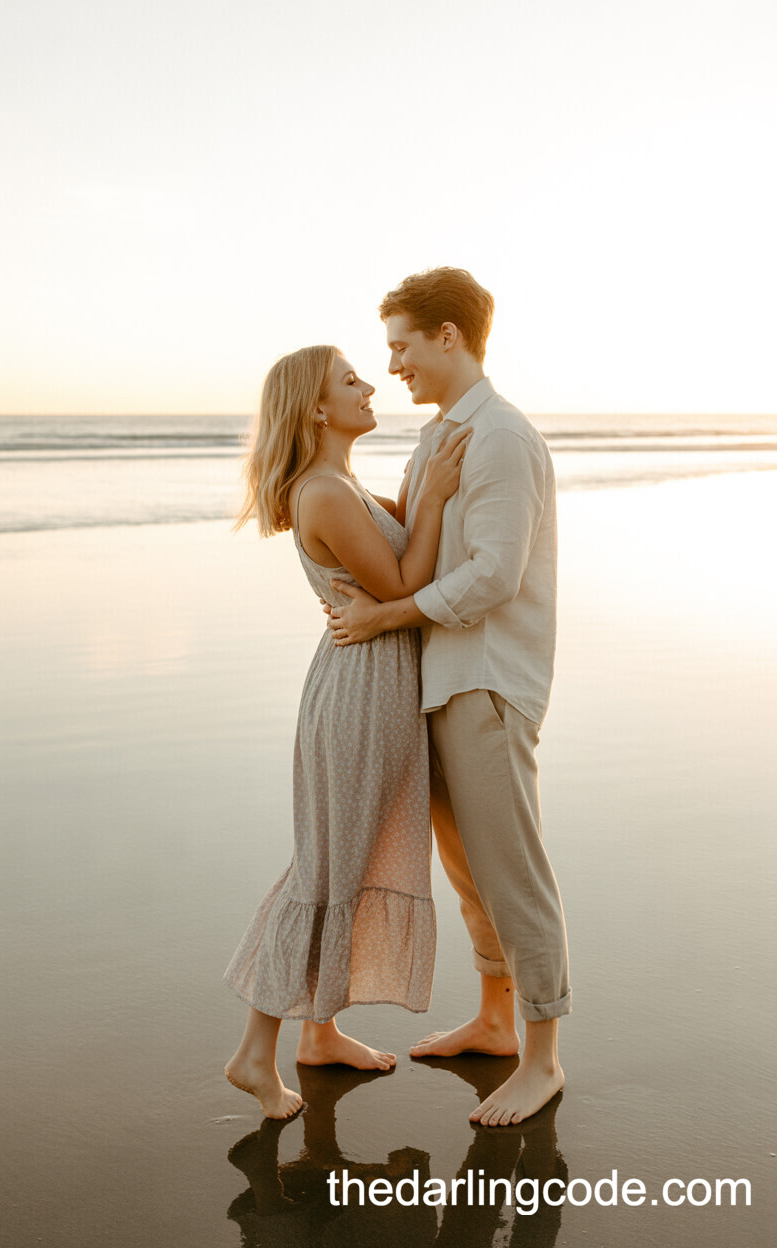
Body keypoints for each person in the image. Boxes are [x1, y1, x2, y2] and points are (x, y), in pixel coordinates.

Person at [326, 268, 572, 1127]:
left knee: (512, 874)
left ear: (448, 336)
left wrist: (385, 614)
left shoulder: (500, 437)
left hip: (488, 682)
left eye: (401, 345)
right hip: (439, 681)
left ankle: (543, 1057)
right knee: (470, 876)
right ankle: (496, 1023)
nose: (392, 364)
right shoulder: (439, 438)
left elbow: (495, 574)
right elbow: (414, 542)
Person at [223, 344, 471, 1119]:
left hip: (373, 685)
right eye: (350, 380)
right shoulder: (324, 492)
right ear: (317, 410)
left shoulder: (343, 485)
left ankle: (318, 1035)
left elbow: (402, 558)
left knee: (336, 862)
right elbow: (404, 582)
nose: (370, 386)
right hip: (360, 695)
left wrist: (425, 489)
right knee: (324, 871)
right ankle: (253, 1054)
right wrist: (434, 496)